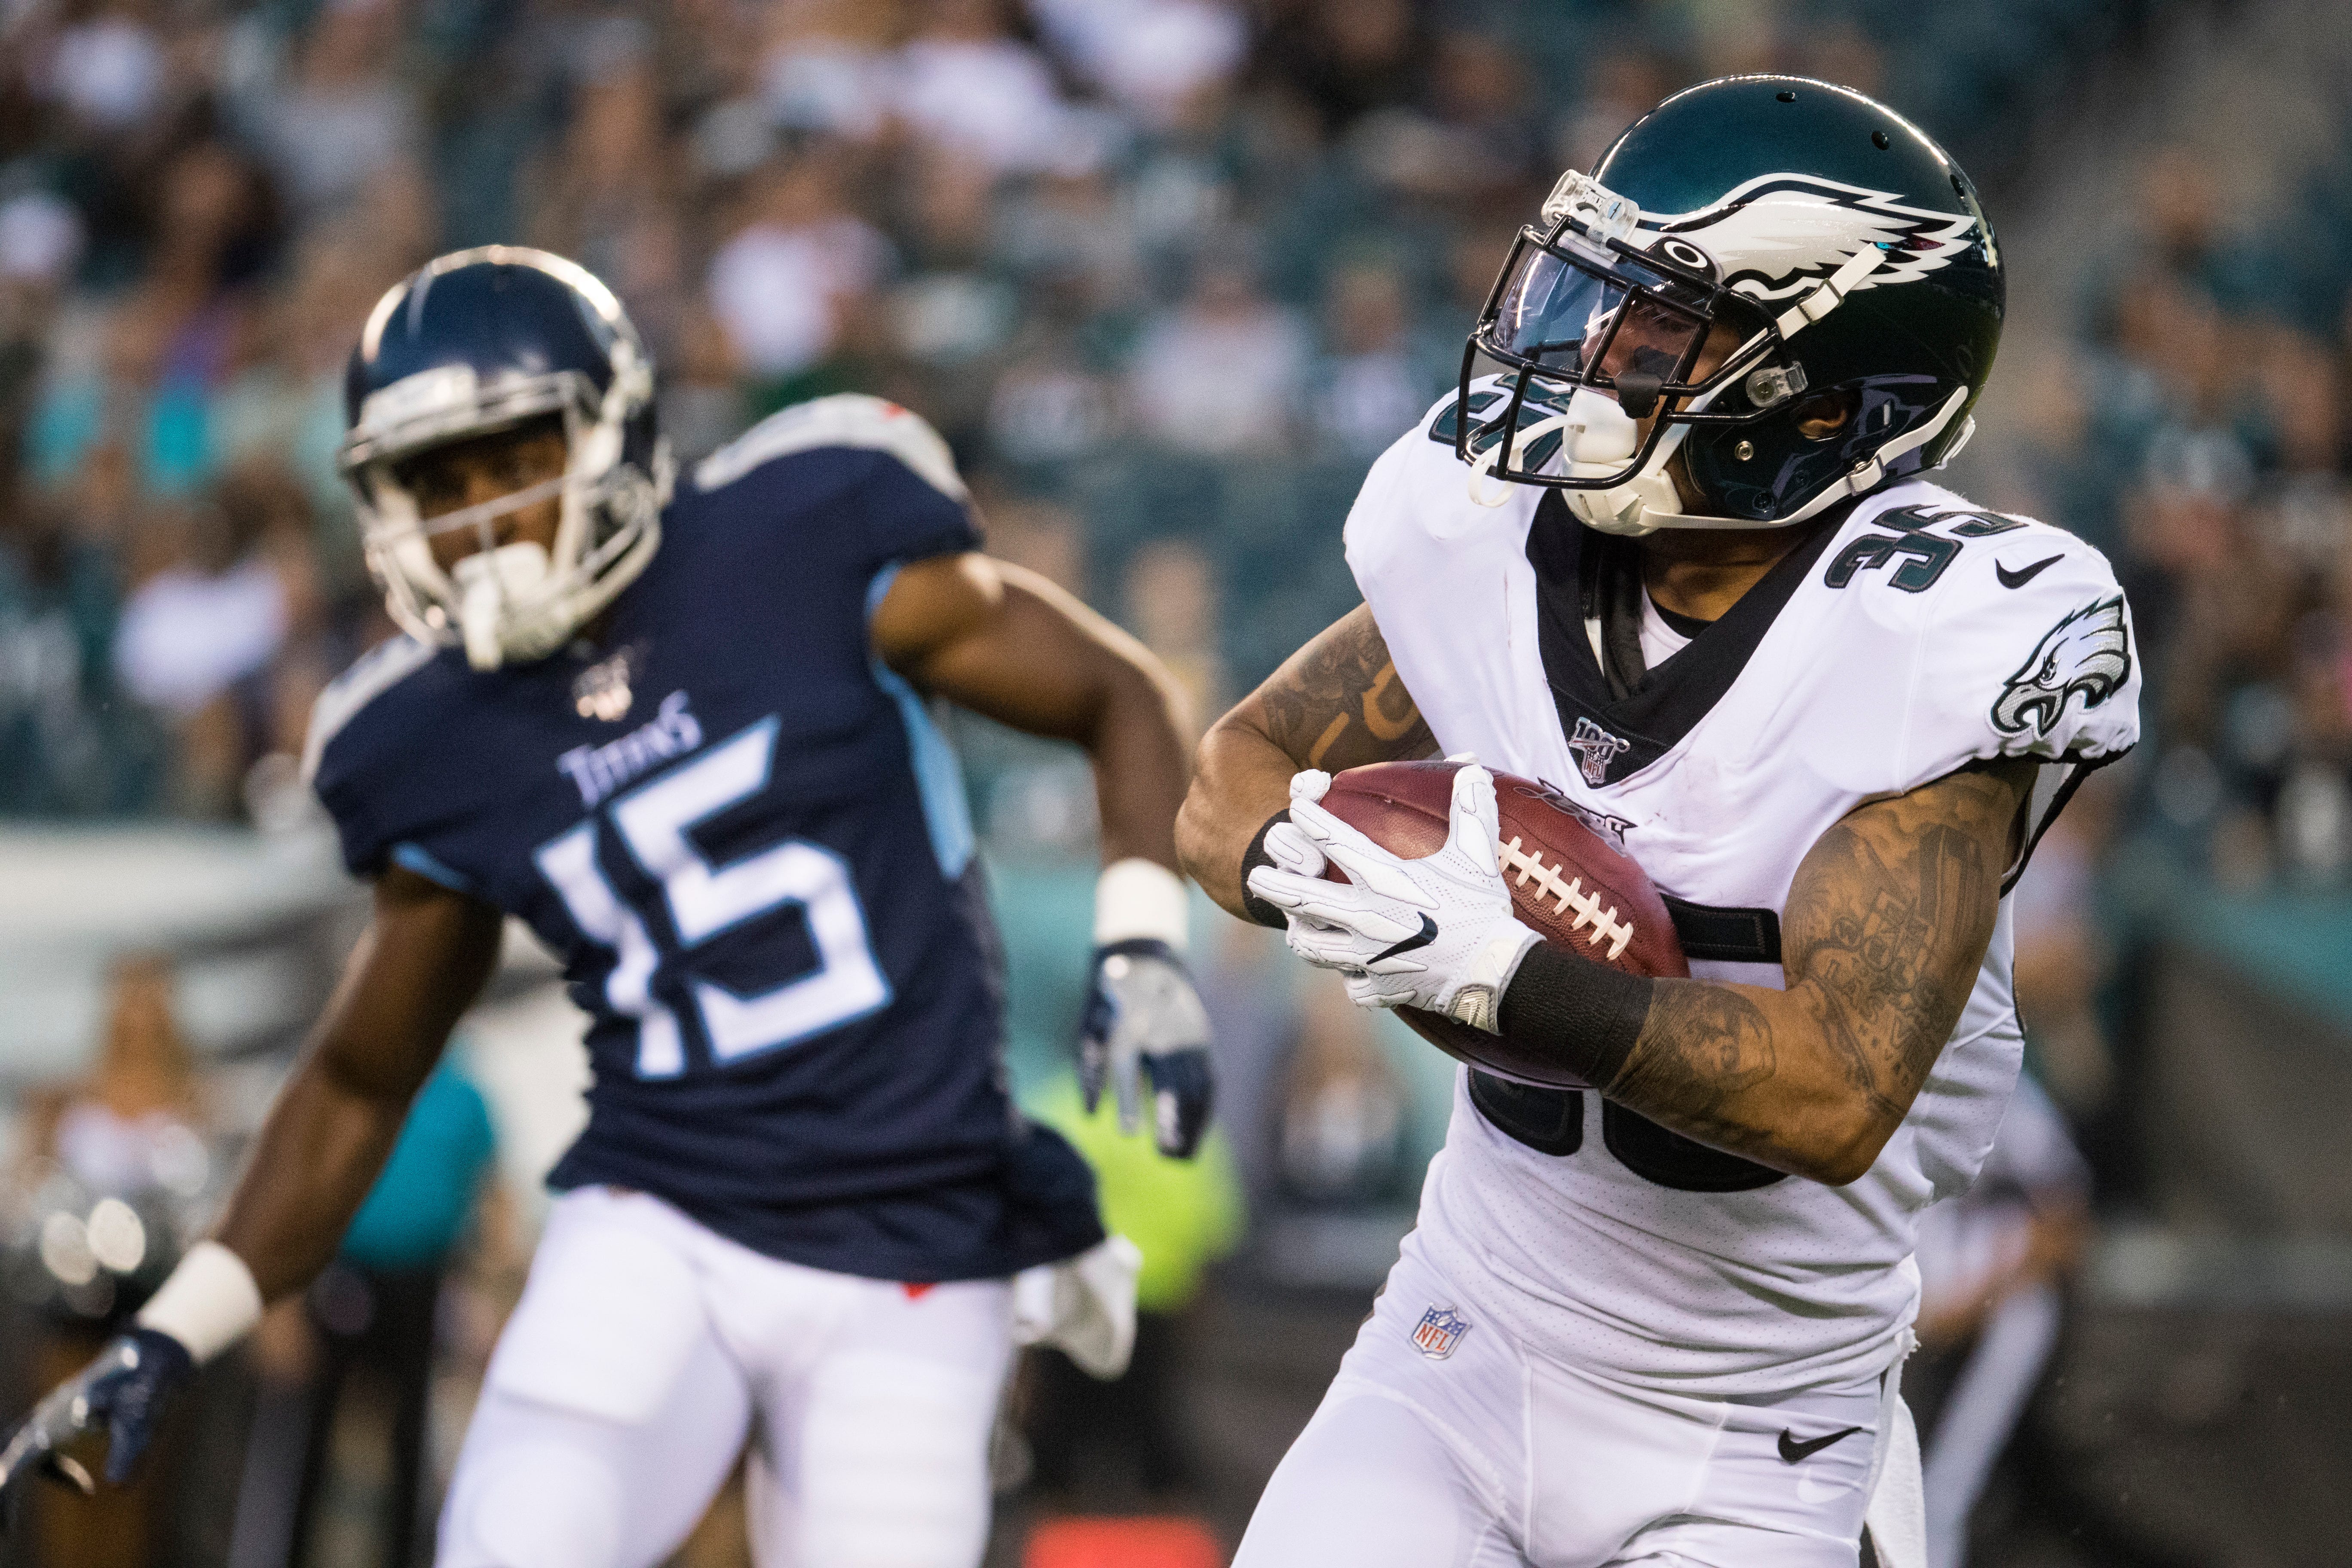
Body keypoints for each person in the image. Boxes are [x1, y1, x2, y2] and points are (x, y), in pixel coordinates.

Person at [2, 246, 1212, 1568]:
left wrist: (1143, 943)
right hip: (667, 1211)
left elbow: (1119, 694)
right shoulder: (424, 739)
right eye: (435, 484)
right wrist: (175, 1330)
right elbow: (358, 1077)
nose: (475, 518)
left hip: (917, 1222)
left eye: (510, 458)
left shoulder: (801, 538)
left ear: (614, 432)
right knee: (516, 1540)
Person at [1174, 78, 2141, 1568]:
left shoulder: (1925, 641)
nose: (1588, 356)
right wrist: (1349, 889)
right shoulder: (1491, 536)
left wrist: (1498, 976)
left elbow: (1832, 1091)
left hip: (1755, 1436)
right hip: (1467, 1339)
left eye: (1659, 327)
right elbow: (1233, 780)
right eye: (1596, 303)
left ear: (1818, 400)